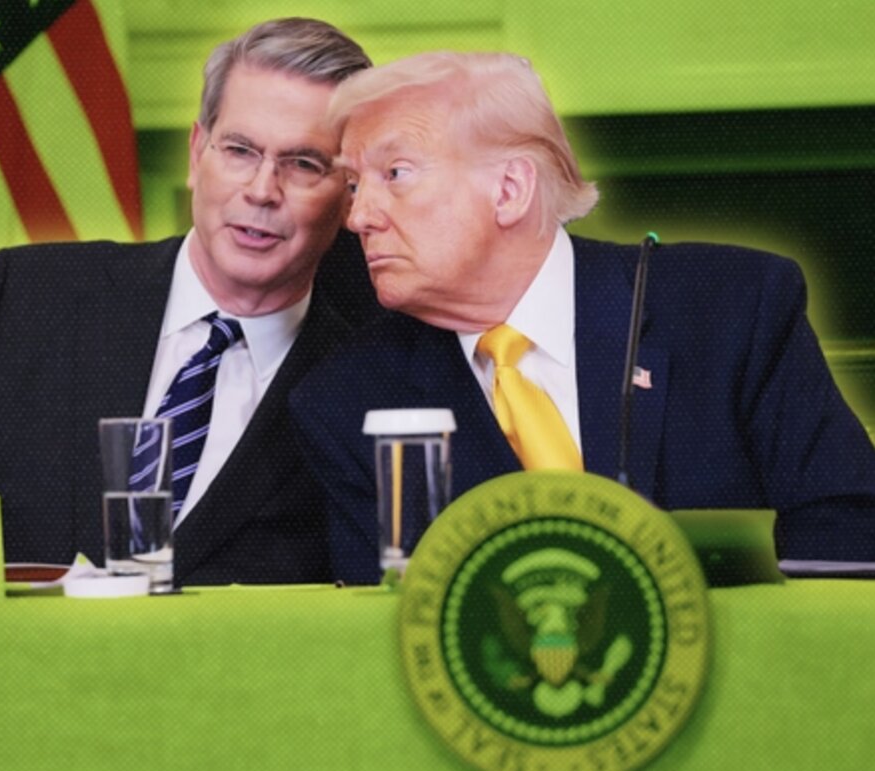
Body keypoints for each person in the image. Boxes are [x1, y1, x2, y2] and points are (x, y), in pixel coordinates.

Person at [289, 51, 875, 584]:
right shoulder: (345, 402)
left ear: (510, 190)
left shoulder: (733, 309)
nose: (358, 216)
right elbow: (380, 628)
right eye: (354, 185)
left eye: (395, 174)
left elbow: (847, 543)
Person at [0, 18, 378, 586]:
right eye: (240, 150)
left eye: (303, 164)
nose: (262, 190)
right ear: (197, 154)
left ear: (351, 195)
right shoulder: (26, 297)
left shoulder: (370, 380)